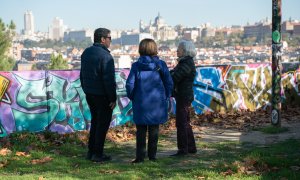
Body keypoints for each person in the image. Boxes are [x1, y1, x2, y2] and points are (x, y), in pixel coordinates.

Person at [126, 38, 173, 163]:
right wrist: (166, 96)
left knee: (140, 130)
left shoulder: (136, 66)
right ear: (154, 49)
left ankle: (140, 157)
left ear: (141, 49)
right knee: (154, 129)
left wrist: (133, 96)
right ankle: (152, 156)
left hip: (140, 101)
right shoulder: (161, 65)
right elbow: (169, 82)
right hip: (157, 102)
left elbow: (130, 84)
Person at [80, 28, 116, 162]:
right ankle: (97, 154)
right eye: (109, 38)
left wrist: (86, 89)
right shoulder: (106, 56)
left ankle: (91, 151)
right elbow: (109, 80)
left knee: (95, 122)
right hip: (103, 96)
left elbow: (82, 75)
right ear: (102, 39)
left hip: (90, 94)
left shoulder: (86, 53)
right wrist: (112, 98)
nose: (110, 41)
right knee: (102, 125)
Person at [170, 40, 197, 156]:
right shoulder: (186, 62)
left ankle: (183, 149)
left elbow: (175, 77)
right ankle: (190, 147)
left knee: (181, 123)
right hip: (185, 95)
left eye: (179, 49)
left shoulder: (186, 64)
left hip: (183, 96)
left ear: (185, 51)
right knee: (185, 122)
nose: (177, 50)